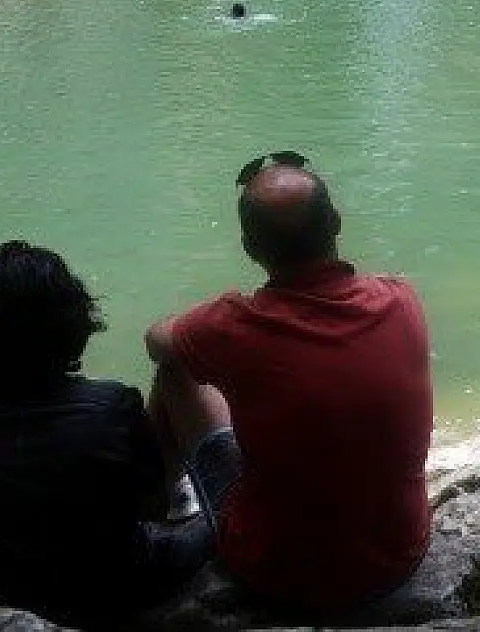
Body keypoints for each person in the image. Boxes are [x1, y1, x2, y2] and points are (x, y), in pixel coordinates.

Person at [144, 154, 432, 619]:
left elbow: (157, 341)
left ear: (250, 249)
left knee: (175, 369)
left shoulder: (236, 327)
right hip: (398, 555)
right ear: (336, 222)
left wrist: (221, 314)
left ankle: (155, 510)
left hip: (278, 573)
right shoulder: (401, 299)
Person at [0, 242, 210, 629]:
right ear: (73, 324)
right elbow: (150, 508)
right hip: (100, 591)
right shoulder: (112, 408)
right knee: (222, 521)